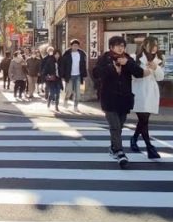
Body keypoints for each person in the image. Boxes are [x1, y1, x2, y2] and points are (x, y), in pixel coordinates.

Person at [94, 36, 143, 167]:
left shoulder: (127, 58)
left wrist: (128, 64)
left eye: (122, 46)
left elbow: (139, 73)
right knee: (115, 126)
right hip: (109, 98)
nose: (120, 48)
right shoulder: (105, 58)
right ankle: (120, 152)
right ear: (111, 47)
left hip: (124, 99)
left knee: (119, 127)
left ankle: (113, 147)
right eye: (117, 46)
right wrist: (111, 68)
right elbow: (96, 73)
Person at [131, 37, 166, 159]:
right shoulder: (136, 58)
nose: (154, 48)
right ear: (145, 46)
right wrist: (144, 72)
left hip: (151, 92)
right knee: (143, 120)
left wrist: (156, 68)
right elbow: (132, 76)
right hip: (139, 91)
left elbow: (160, 78)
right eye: (151, 45)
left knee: (143, 121)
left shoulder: (160, 59)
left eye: (156, 45)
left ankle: (134, 139)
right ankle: (149, 147)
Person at [59, 39, 88, 112]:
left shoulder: (81, 54)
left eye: (77, 46)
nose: (75, 47)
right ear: (71, 46)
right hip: (69, 76)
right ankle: (66, 100)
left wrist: (84, 75)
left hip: (78, 76)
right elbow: (63, 66)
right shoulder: (67, 54)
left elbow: (83, 65)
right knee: (69, 91)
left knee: (78, 93)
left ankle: (75, 106)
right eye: (74, 45)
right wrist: (62, 76)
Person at [41, 47, 62, 111]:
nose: (57, 55)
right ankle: (49, 100)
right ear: (54, 54)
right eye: (56, 54)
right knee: (52, 93)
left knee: (58, 93)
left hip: (58, 79)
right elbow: (45, 69)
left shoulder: (61, 61)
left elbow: (64, 70)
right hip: (51, 79)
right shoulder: (50, 60)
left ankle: (56, 106)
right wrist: (46, 75)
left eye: (58, 54)